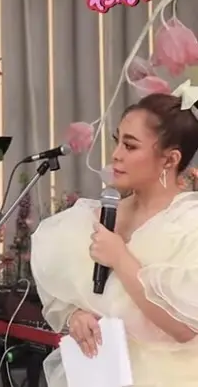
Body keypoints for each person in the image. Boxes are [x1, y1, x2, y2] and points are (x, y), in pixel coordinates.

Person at [31, 91, 198, 386]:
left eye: (130, 146)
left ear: (170, 159)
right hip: (100, 372)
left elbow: (184, 327)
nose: (116, 154)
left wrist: (121, 258)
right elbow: (65, 291)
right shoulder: (95, 216)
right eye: (117, 141)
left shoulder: (189, 224)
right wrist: (75, 316)